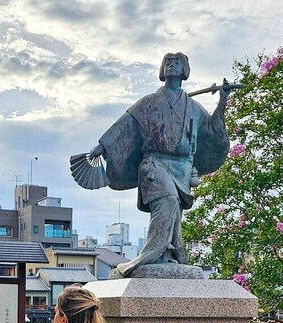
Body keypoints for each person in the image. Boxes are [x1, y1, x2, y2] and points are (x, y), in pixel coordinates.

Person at [87, 52, 232, 276]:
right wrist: (103, 146)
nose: (171, 66)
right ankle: (148, 256)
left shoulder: (192, 106)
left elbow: (212, 130)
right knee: (169, 201)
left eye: (176, 63)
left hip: (182, 167)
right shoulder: (149, 103)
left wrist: (222, 100)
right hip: (155, 164)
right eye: (168, 63)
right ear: (162, 70)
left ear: (184, 70)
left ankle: (170, 254)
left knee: (174, 212)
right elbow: (125, 125)